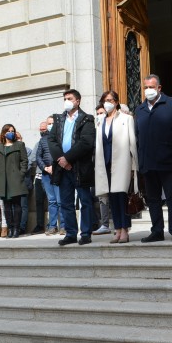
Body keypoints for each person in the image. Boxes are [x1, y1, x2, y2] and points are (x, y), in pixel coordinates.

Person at [135, 75, 172, 242]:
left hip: (168, 160)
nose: (148, 90)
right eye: (146, 87)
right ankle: (157, 231)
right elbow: (137, 136)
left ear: (159, 88)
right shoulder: (140, 109)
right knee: (153, 199)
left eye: (151, 87)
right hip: (147, 162)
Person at [47, 89, 96, 246]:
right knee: (66, 202)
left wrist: (68, 158)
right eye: (65, 98)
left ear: (78, 101)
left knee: (85, 201)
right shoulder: (59, 120)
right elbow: (52, 140)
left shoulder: (86, 119)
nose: (66, 101)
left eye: (69, 98)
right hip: (63, 168)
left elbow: (86, 143)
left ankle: (86, 233)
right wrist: (61, 160)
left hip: (79, 167)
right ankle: (71, 233)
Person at [94, 91, 138, 244]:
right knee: (111, 198)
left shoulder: (127, 118)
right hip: (105, 163)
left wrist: (134, 166)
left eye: (110, 100)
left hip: (122, 162)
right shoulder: (99, 121)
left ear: (117, 102)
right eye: (105, 100)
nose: (107, 103)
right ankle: (117, 228)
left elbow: (132, 142)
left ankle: (125, 229)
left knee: (122, 196)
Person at [0, 124, 29, 239]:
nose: (11, 133)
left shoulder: (19, 144)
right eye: (8, 131)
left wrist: (21, 173)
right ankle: (10, 228)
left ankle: (16, 229)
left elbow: (24, 161)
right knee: (6, 206)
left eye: (13, 131)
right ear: (4, 133)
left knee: (17, 205)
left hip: (15, 178)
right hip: (3, 180)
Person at [37, 116, 63, 235]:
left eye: (52, 123)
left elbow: (64, 153)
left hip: (59, 172)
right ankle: (52, 226)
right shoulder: (43, 140)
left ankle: (63, 225)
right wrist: (45, 167)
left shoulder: (61, 137)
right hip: (47, 174)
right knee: (51, 201)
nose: (50, 125)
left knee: (60, 200)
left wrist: (55, 166)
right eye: (49, 123)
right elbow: (38, 156)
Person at [92, 105, 113, 235]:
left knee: (116, 196)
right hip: (100, 168)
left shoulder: (112, 128)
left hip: (113, 166)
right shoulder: (95, 130)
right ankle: (105, 224)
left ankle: (119, 224)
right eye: (98, 113)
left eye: (102, 113)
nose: (99, 115)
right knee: (102, 197)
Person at [30, 121, 48, 235]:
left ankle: (55, 224)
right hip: (39, 175)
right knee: (39, 201)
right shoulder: (38, 143)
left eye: (44, 129)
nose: (43, 131)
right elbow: (32, 158)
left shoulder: (53, 141)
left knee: (54, 201)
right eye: (41, 130)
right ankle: (40, 224)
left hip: (51, 175)